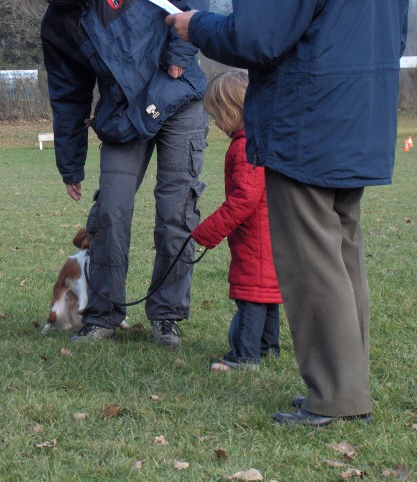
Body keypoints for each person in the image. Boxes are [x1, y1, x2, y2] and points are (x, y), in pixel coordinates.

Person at [166, 1, 408, 424]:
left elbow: (259, 36)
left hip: (307, 120)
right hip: (361, 111)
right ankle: (347, 387)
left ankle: (337, 399)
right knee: (344, 257)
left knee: (313, 264)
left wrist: (197, 25)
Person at [41, 0, 210, 347]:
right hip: (123, 115)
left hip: (178, 95)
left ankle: (166, 316)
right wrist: (70, 161)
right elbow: (68, 95)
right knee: (110, 212)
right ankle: (102, 316)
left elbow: (190, 4)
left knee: (176, 212)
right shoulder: (58, 26)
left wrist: (179, 52)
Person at [191, 71, 282, 372]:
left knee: (251, 292)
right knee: (267, 290)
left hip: (254, 234)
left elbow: (245, 199)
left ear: (233, 112)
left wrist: (207, 232)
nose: (216, 124)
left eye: (217, 116)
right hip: (271, 233)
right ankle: (268, 346)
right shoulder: (262, 138)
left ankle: (245, 355)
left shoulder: (245, 148)